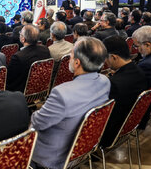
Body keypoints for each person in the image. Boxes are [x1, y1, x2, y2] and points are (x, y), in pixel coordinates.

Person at [30, 37, 110, 169]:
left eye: (71, 54)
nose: (69, 58)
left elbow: (38, 122)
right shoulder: (105, 82)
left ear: (77, 63)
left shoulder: (62, 93)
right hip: (83, 149)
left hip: (52, 157)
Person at [100, 36, 147, 147]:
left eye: (106, 59)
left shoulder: (114, 84)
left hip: (109, 135)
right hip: (129, 126)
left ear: (114, 57)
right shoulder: (140, 72)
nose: (105, 63)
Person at [6, 25, 51, 93]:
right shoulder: (45, 49)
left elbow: (9, 78)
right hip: (40, 88)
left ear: (23, 39)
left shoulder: (18, 57)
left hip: (20, 91)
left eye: (20, 33)